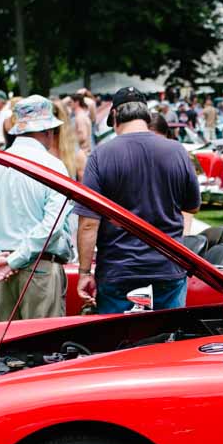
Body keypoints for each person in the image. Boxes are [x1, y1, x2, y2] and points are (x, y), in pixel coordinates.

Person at [77, 87, 200, 313]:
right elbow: (191, 206)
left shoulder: (100, 155)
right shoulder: (177, 151)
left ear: (114, 116)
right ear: (145, 115)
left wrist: (84, 273)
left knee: (120, 346)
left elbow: (88, 223)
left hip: (118, 272)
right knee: (169, 343)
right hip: (168, 268)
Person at [0, 95, 75, 322]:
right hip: (40, 267)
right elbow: (52, 225)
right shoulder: (53, 166)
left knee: (4, 348)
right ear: (48, 131)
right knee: (43, 345)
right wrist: (15, 259)